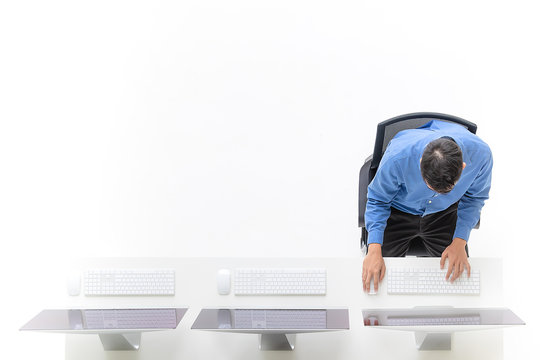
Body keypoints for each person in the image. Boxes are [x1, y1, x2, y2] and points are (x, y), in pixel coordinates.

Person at [362, 120, 492, 293]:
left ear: (463, 167)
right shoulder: (399, 156)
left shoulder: (481, 156)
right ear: (422, 160)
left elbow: (474, 198)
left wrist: (460, 241)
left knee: (458, 279)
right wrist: (374, 249)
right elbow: (378, 199)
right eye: (428, 185)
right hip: (397, 210)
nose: (433, 191)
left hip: (443, 212)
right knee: (378, 280)